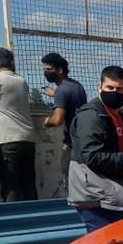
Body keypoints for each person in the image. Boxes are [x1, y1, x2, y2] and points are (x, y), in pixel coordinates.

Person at [68, 65, 123, 232]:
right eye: (109, 87)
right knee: (105, 240)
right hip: (94, 194)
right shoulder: (91, 116)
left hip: (109, 191)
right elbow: (92, 157)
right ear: (100, 87)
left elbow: (115, 155)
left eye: (119, 89)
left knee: (114, 238)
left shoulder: (119, 117)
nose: (114, 92)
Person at [0, 47, 37, 201]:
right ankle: (34, 213)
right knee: (28, 183)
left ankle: (13, 214)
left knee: (10, 185)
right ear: (11, 62)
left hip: (7, 139)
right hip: (28, 138)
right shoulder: (21, 81)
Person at [41, 52, 87, 194]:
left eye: (49, 69)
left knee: (70, 182)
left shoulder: (61, 91)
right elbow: (71, 101)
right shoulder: (76, 86)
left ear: (60, 70)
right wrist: (55, 94)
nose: (45, 72)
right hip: (83, 140)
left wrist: (47, 121)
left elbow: (58, 120)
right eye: (44, 69)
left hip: (72, 143)